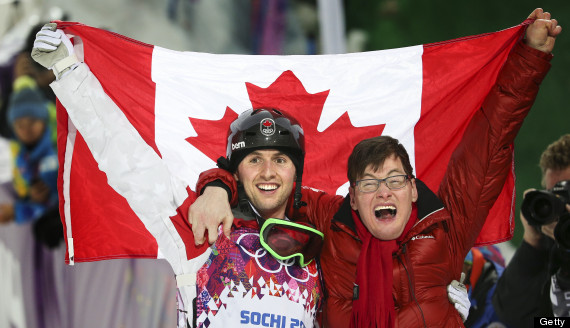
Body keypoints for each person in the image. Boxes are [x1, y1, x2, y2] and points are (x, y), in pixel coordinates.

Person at [188, 7, 560, 327]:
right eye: (368, 184)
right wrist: (217, 186)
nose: (383, 191)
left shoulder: (446, 229)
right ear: (351, 198)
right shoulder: (329, 225)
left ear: (414, 188)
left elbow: (489, 144)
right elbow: (263, 190)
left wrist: (530, 58)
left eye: (395, 180)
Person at [492, 134, 570, 327]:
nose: (563, 205)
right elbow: (512, 315)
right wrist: (532, 241)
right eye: (555, 195)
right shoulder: (552, 244)